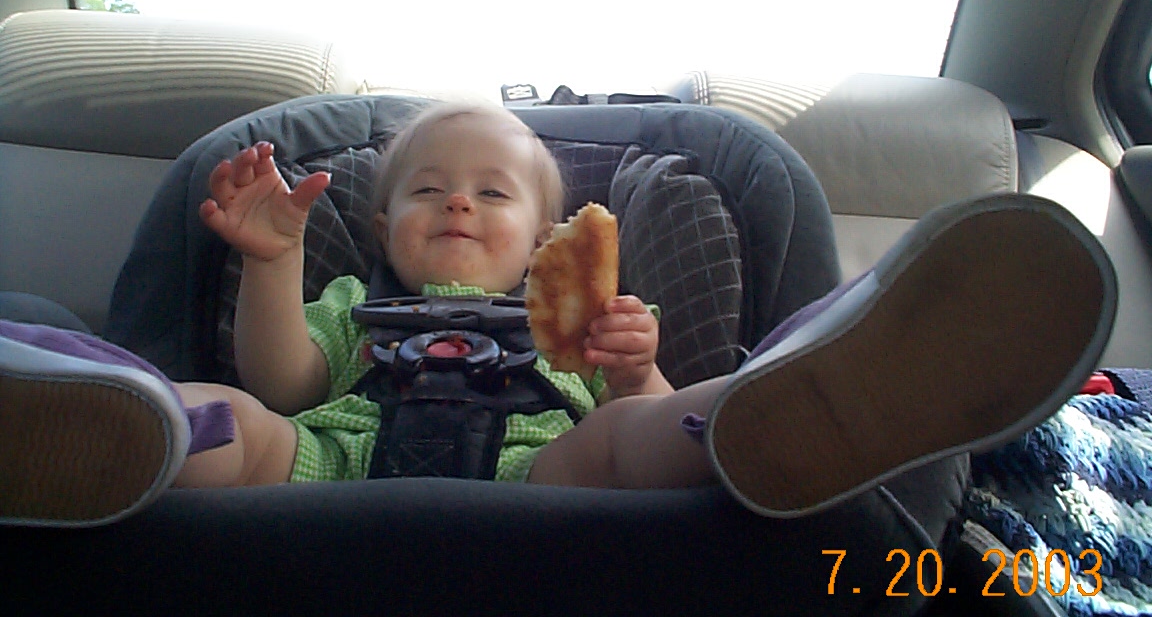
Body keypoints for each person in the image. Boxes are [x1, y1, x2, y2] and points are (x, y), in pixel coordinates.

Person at [0, 101, 1118, 527]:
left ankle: (784, 405)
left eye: (492, 195)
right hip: (332, 465)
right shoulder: (356, 303)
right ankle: (125, 425)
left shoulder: (582, 321)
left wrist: (634, 372)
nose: (457, 204)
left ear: (544, 236)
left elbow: (630, 420)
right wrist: (274, 262)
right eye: (428, 191)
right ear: (382, 226)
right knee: (239, 424)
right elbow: (285, 382)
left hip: (546, 473)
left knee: (633, 435)